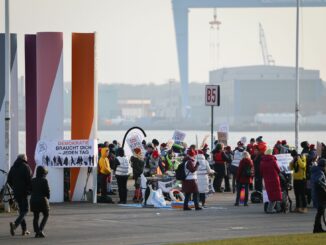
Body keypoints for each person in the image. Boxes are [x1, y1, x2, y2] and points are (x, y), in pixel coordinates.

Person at [7, 154, 32, 236]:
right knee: (25, 210)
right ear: (24, 158)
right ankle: (15, 224)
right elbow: (29, 180)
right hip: (24, 192)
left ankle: (24, 230)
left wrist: (14, 188)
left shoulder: (13, 167)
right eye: (26, 158)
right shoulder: (26, 167)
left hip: (16, 192)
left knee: (21, 211)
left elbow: (9, 180)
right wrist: (29, 190)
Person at [30, 166, 50, 238]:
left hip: (33, 201)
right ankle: (40, 230)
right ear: (43, 173)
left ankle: (37, 231)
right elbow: (47, 191)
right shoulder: (44, 180)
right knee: (46, 214)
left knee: (36, 217)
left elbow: (30, 190)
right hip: (42, 201)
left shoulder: (32, 180)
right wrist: (48, 196)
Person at [260, 149, 282, 213]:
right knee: (276, 194)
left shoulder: (262, 162)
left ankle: (275, 208)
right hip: (275, 179)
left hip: (267, 180)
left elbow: (261, 172)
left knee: (270, 194)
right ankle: (271, 209)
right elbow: (278, 170)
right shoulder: (273, 161)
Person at [310, 158, 326, 233]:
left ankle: (318, 228)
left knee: (319, 212)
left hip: (315, 194)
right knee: (320, 212)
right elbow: (318, 181)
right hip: (320, 195)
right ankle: (317, 228)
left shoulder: (315, 171)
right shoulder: (320, 173)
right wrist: (325, 185)